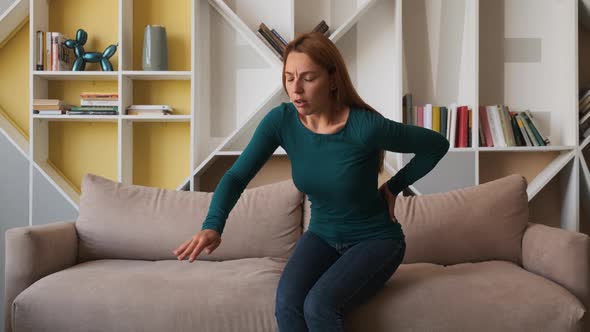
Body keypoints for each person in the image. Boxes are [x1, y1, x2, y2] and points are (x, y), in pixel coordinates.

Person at [173, 31, 449, 331]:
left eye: (308, 78)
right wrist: (213, 225)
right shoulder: (281, 121)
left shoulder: (365, 127)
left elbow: (436, 145)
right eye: (289, 77)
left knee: (320, 306)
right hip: (322, 236)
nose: (296, 89)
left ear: (332, 80)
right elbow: (237, 175)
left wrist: (395, 186)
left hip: (376, 241)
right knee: (287, 305)